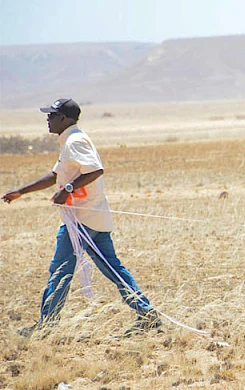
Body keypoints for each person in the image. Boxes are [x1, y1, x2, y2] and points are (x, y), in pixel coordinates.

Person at [3, 98, 161, 337]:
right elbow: (55, 175)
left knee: (60, 270)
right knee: (113, 269)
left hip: (81, 221)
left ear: (64, 118)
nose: (48, 119)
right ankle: (147, 314)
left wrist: (67, 191)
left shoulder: (75, 141)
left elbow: (95, 169)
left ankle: (46, 327)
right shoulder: (70, 140)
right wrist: (22, 192)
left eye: (51, 115)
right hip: (93, 219)